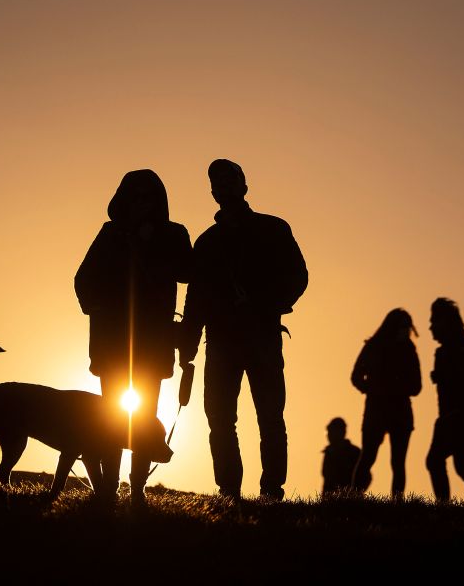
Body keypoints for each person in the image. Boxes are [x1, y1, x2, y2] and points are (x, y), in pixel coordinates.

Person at [179, 159, 308, 500]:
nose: (221, 185)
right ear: (212, 191)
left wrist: (262, 303)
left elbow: (298, 277)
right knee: (221, 419)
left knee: (269, 416)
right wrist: (188, 345)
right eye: (216, 180)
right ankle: (229, 491)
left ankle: (271, 490)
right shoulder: (206, 244)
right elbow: (196, 297)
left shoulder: (273, 229)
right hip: (221, 342)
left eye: (228, 178)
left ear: (243, 186)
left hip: (262, 337)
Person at [74, 169, 192, 506]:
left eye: (149, 197)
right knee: (110, 416)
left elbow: (188, 271)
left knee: (146, 418)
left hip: (153, 343)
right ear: (125, 200)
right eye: (136, 196)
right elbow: (83, 279)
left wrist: (154, 240)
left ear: (159, 201)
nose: (143, 203)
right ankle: (109, 487)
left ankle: (137, 487)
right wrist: (96, 306)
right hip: (112, 343)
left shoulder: (173, 233)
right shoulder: (111, 234)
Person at [350, 309, 422, 499]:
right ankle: (353, 500)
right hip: (377, 410)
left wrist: (395, 387)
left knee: (397, 462)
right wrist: (373, 389)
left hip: (399, 412)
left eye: (408, 327)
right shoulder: (374, 346)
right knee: (368, 457)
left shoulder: (408, 350)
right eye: (403, 327)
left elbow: (417, 386)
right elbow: (356, 376)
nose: (406, 332)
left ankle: (397, 503)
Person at [425, 297, 464, 503]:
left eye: (434, 321)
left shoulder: (461, 347)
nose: (431, 327)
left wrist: (442, 376)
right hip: (456, 415)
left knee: (437, 461)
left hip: (459, 414)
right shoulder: (454, 347)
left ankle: (446, 506)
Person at [322, 417, 361, 494]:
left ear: (341, 432)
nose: (329, 435)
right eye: (328, 432)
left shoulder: (353, 452)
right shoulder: (329, 452)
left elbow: (366, 476)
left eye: (331, 431)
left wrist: (354, 493)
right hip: (328, 500)